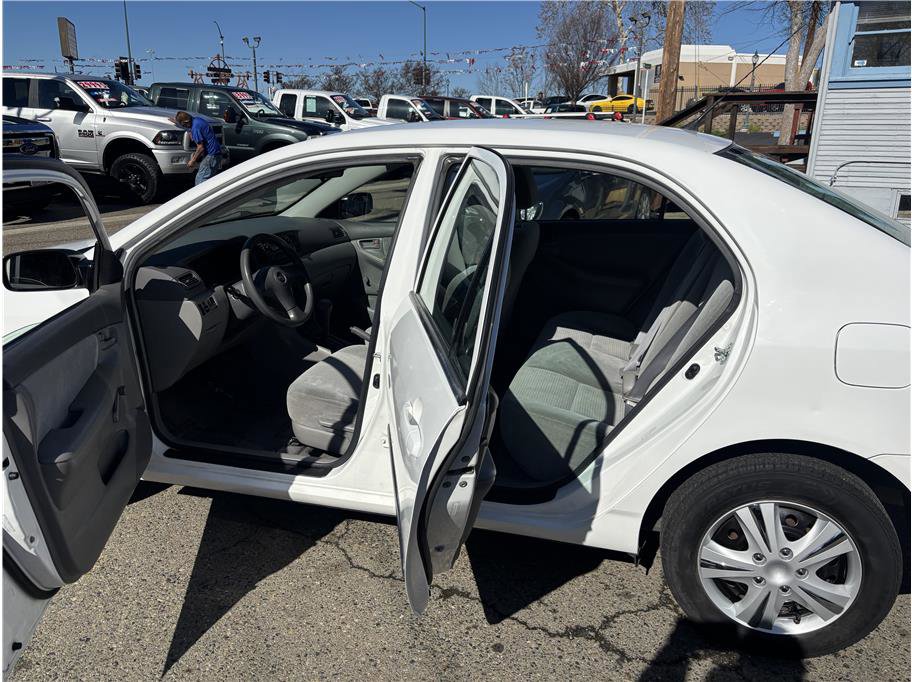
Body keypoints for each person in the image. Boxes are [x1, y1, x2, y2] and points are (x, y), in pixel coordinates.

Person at [173, 110, 224, 185]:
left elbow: (200, 148)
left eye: (183, 124)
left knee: (201, 179)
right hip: (216, 154)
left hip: (211, 155)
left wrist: (192, 161)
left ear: (186, 122)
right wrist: (179, 124)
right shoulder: (197, 120)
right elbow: (189, 127)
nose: (184, 126)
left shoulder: (196, 128)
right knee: (209, 179)